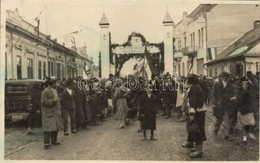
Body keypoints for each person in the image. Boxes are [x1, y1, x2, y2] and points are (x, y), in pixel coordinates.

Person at [182, 74, 206, 158]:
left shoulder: (194, 88)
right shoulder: (196, 86)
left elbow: (193, 102)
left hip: (196, 112)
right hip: (198, 111)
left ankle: (199, 151)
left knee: (198, 130)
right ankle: (197, 148)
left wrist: (192, 114)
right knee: (196, 130)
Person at [211, 72, 237, 141]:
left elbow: (234, 94)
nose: (226, 78)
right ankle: (215, 131)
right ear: (221, 77)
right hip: (219, 105)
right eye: (224, 77)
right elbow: (213, 95)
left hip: (227, 105)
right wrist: (213, 103)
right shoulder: (216, 85)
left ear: (228, 78)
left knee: (227, 120)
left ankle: (226, 135)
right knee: (219, 120)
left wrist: (234, 97)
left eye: (227, 77)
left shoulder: (231, 86)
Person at [41, 78, 64, 149]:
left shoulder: (55, 91)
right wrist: (53, 101)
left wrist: (59, 108)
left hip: (55, 112)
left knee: (55, 127)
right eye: (55, 83)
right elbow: (43, 102)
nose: (56, 85)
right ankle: (46, 143)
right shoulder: (45, 91)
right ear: (52, 84)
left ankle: (54, 140)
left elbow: (57, 100)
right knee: (47, 128)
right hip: (48, 112)